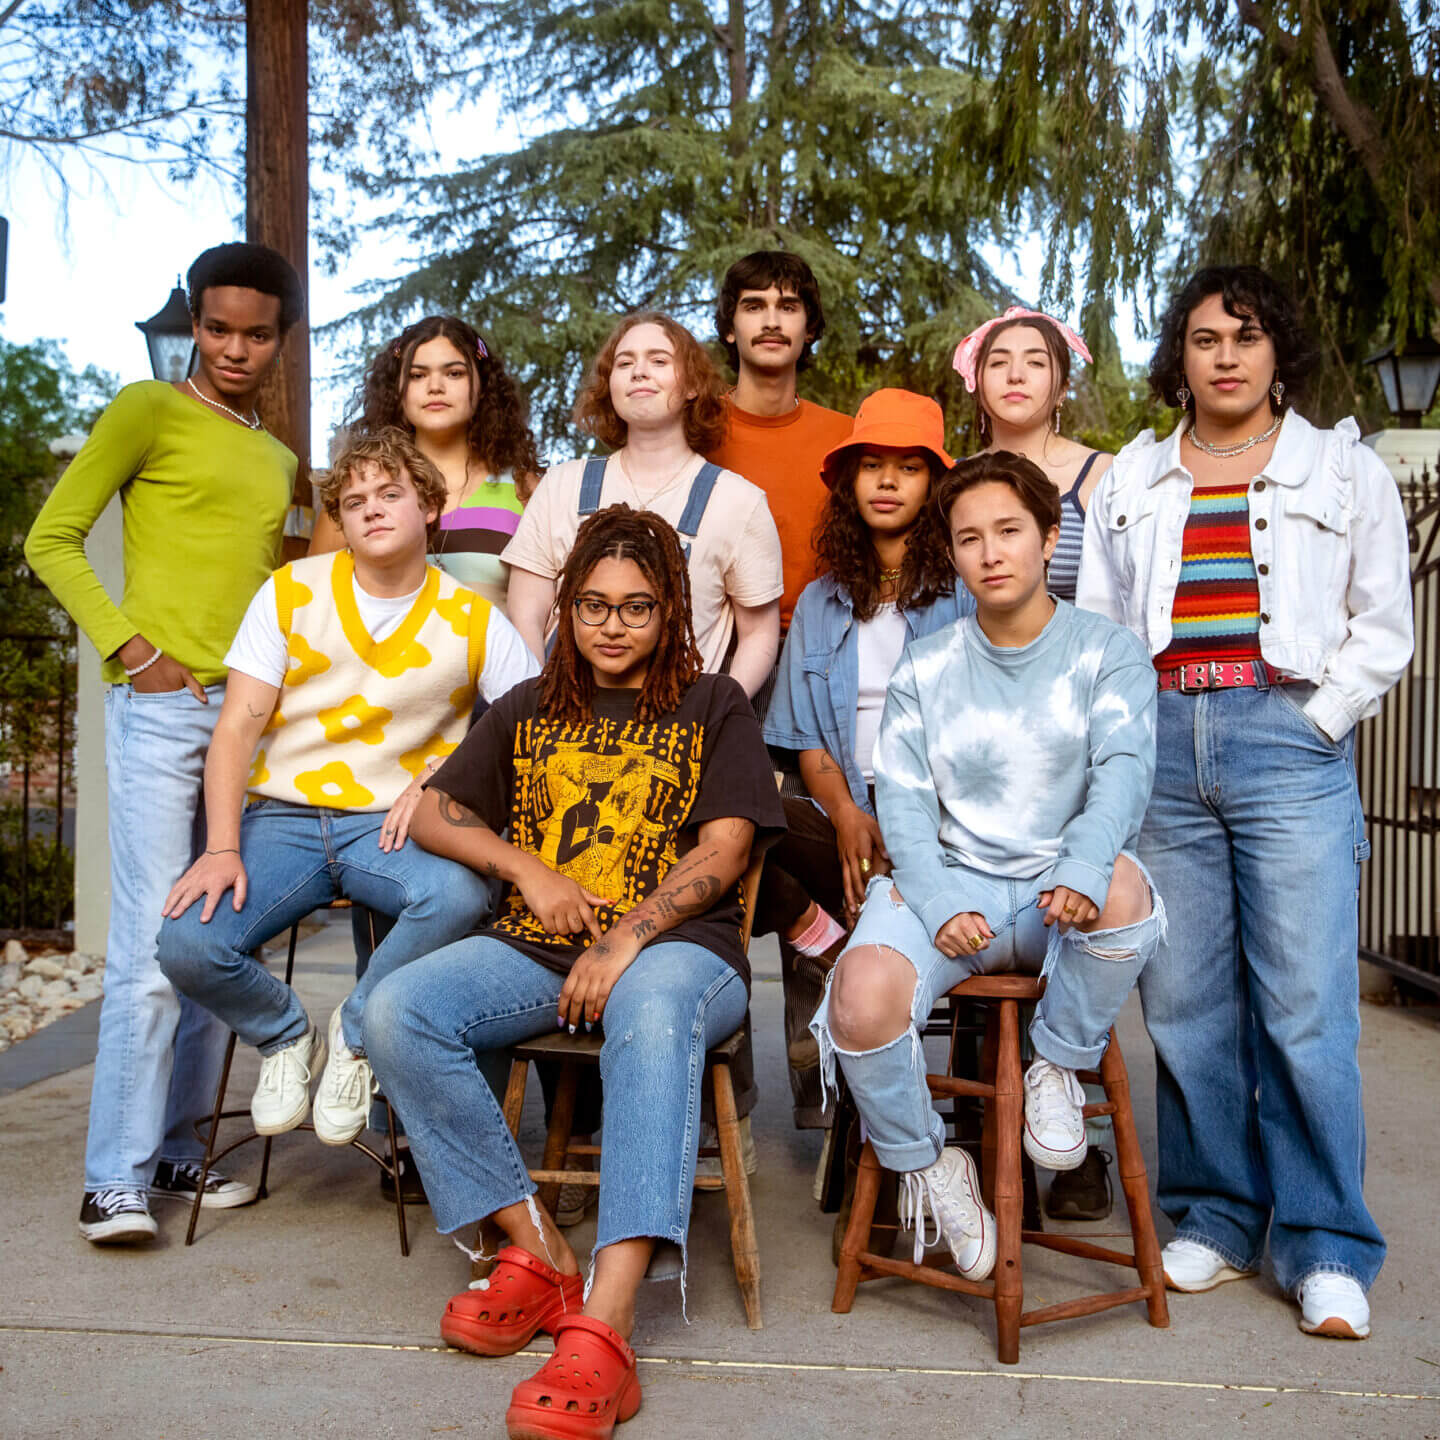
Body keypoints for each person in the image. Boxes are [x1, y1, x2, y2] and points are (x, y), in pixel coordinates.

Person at [363, 505, 785, 1440]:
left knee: (652, 1010)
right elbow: (435, 811)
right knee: (396, 1010)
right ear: (565, 609)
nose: (612, 625)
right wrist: (528, 870)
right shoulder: (529, 709)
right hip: (536, 946)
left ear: (670, 610)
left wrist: (625, 937)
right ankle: (541, 1250)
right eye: (592, 605)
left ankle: (609, 1315)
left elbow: (725, 850)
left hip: (681, 955)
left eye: (637, 607)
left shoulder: (713, 704)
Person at [1077, 265, 1412, 1341]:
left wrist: (1319, 722)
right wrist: (1128, 747)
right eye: (1205, 337)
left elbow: (1384, 623)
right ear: (1178, 353)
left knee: (1306, 1009)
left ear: (1279, 353)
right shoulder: (1130, 476)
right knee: (1184, 1005)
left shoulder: (1344, 470)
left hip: (1287, 740)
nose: (1225, 355)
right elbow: (1104, 627)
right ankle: (1215, 1217)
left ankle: (1325, 1246)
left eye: (1247, 336)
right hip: (1166, 747)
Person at [811, 451, 1164, 1281]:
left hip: (1060, 898)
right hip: (953, 892)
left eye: (1009, 531)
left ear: (1048, 539)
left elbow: (1123, 772)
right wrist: (934, 902)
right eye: (969, 539)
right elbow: (900, 802)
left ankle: (1057, 1063)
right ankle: (932, 1167)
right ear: (954, 554)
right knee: (860, 1000)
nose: (991, 552)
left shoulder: (1107, 652)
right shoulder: (928, 666)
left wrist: (1079, 867)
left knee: (1123, 887)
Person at [24, 242, 306, 1243]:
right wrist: (130, 647)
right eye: (217, 328)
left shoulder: (276, 457)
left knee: (209, 941)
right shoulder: (146, 412)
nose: (234, 347)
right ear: (194, 322)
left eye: (256, 333)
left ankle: (180, 1153)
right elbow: (49, 538)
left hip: (250, 724)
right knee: (151, 947)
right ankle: (114, 1180)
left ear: (282, 338)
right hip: (162, 709)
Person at [154, 429, 537, 1148]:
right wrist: (222, 846)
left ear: (429, 506)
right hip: (284, 819)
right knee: (187, 944)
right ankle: (286, 1036)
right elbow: (236, 726)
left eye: (390, 494)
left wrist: (438, 779)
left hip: (391, 828)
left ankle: (354, 1032)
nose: (372, 510)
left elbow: (529, 729)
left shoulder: (473, 617)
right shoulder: (292, 592)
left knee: (458, 894)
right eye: (354, 500)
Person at [759, 389, 972, 1127]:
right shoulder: (821, 600)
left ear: (936, 486)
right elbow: (807, 738)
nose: (887, 481)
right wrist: (846, 813)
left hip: (948, 826)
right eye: (871, 465)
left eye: (909, 468)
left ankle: (862, 962)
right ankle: (826, 942)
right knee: (738, 818)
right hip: (843, 807)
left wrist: (901, 824)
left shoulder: (968, 593)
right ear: (848, 482)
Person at [954, 304, 1118, 1219]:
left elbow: (1121, 604)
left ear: (1062, 380)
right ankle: (984, 1136)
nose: (1017, 376)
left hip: (1073, 727)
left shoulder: (1104, 476)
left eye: (1036, 362)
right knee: (979, 926)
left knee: (1075, 923)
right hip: (977, 733)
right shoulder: (955, 481)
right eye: (1000, 361)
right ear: (975, 379)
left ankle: (1078, 1140)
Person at [503, 311, 783, 698]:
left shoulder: (739, 501)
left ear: (691, 386)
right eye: (624, 363)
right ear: (610, 385)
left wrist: (716, 715)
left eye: (659, 360)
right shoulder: (562, 485)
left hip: (678, 732)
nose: (639, 372)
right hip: (562, 720)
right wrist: (537, 701)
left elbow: (758, 635)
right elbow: (526, 609)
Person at [310, 315, 542, 613]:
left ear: (482, 386)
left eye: (454, 373)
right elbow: (310, 605)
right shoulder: (355, 491)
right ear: (398, 390)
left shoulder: (527, 490)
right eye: (418, 375)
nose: (435, 387)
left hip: (493, 659)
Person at [707, 250, 854, 639]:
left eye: (787, 307)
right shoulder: (695, 431)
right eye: (754, 306)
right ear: (729, 327)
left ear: (809, 328)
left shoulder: (848, 439)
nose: (771, 322)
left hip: (821, 645)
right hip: (713, 645)